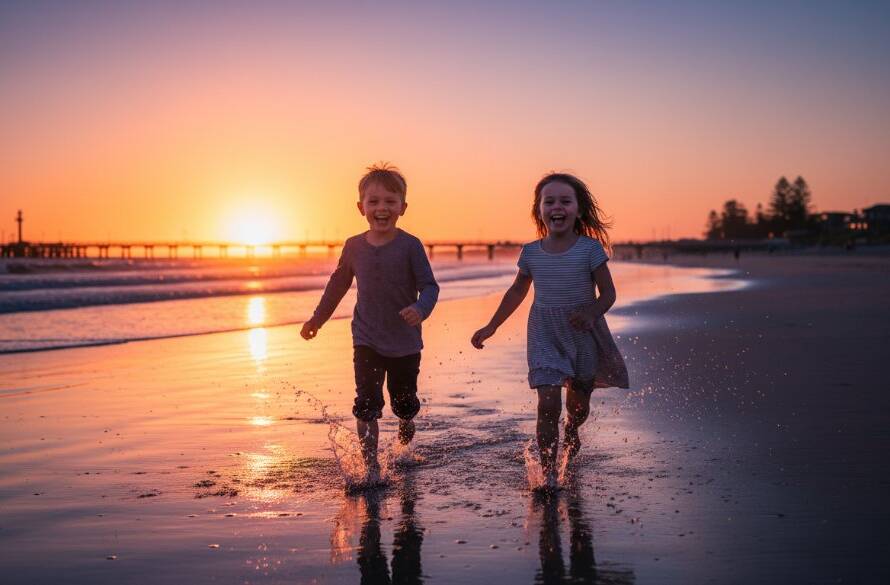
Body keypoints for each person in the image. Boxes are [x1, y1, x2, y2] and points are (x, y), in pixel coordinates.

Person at [471, 172, 628, 489]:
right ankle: (548, 474)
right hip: (544, 332)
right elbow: (517, 291)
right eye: (550, 201)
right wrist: (491, 326)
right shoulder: (531, 252)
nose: (557, 207)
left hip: (582, 333)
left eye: (565, 201)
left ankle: (573, 429)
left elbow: (609, 294)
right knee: (547, 403)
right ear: (539, 211)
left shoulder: (590, 250)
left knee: (578, 404)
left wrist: (592, 312)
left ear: (578, 210)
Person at [302, 163, 439, 481]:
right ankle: (371, 468)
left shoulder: (410, 245)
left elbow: (429, 286)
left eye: (390, 201)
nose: (382, 208)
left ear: (403, 207)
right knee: (366, 404)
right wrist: (317, 319)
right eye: (374, 201)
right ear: (360, 206)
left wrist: (421, 308)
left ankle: (405, 428)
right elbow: (337, 285)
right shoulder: (353, 246)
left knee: (404, 405)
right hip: (366, 338)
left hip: (405, 342)